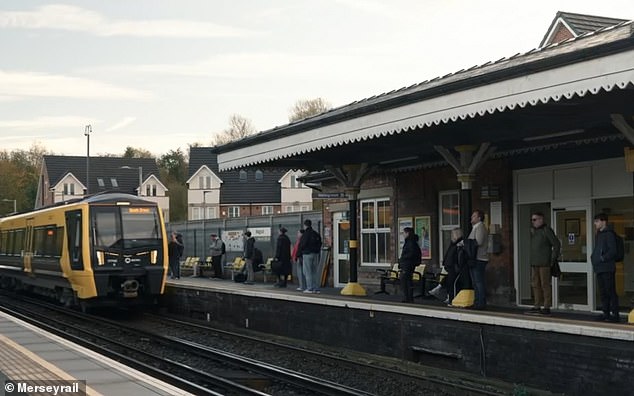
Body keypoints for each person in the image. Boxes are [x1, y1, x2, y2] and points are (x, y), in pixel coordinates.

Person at [526, 212, 561, 316]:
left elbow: (556, 244)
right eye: (532, 220)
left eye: (535, 219)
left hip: (544, 262)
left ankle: (546, 306)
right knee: (535, 284)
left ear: (541, 219)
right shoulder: (534, 231)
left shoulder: (546, 230)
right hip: (534, 262)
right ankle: (537, 305)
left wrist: (552, 259)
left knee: (545, 284)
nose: (533, 222)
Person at [591, 213, 620, 322]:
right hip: (599, 267)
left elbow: (613, 251)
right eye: (595, 221)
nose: (595, 223)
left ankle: (615, 314)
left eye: (597, 221)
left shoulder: (609, 234)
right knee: (603, 291)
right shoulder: (599, 234)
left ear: (604, 222)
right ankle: (606, 313)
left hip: (607, 267)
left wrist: (602, 258)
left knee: (610, 291)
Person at [429, 228, 465, 304]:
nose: (452, 236)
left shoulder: (460, 244)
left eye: (453, 234)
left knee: (452, 283)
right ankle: (447, 295)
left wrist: (455, 266)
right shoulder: (453, 244)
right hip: (450, 266)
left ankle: (451, 298)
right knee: (449, 281)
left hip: (454, 266)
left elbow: (457, 256)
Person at [468, 209, 488, 310]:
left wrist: (467, 243)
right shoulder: (475, 227)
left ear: (479, 218)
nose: (472, 217)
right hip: (474, 258)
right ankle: (477, 301)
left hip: (479, 258)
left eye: (474, 216)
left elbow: (479, 242)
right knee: (475, 282)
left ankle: (481, 302)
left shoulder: (480, 227)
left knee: (479, 281)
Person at [399, 227, 422, 303]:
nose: (403, 234)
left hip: (408, 264)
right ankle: (409, 297)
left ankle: (407, 297)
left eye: (404, 233)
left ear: (407, 233)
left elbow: (411, 253)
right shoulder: (412, 242)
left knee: (405, 280)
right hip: (409, 264)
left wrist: (403, 258)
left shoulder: (410, 242)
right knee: (408, 281)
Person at [299, 219, 322, 294]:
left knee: (307, 272)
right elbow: (320, 242)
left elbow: (302, 244)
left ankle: (310, 288)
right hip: (315, 254)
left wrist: (302, 250)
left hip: (307, 254)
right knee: (314, 271)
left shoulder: (306, 234)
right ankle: (316, 288)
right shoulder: (315, 233)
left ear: (305, 225)